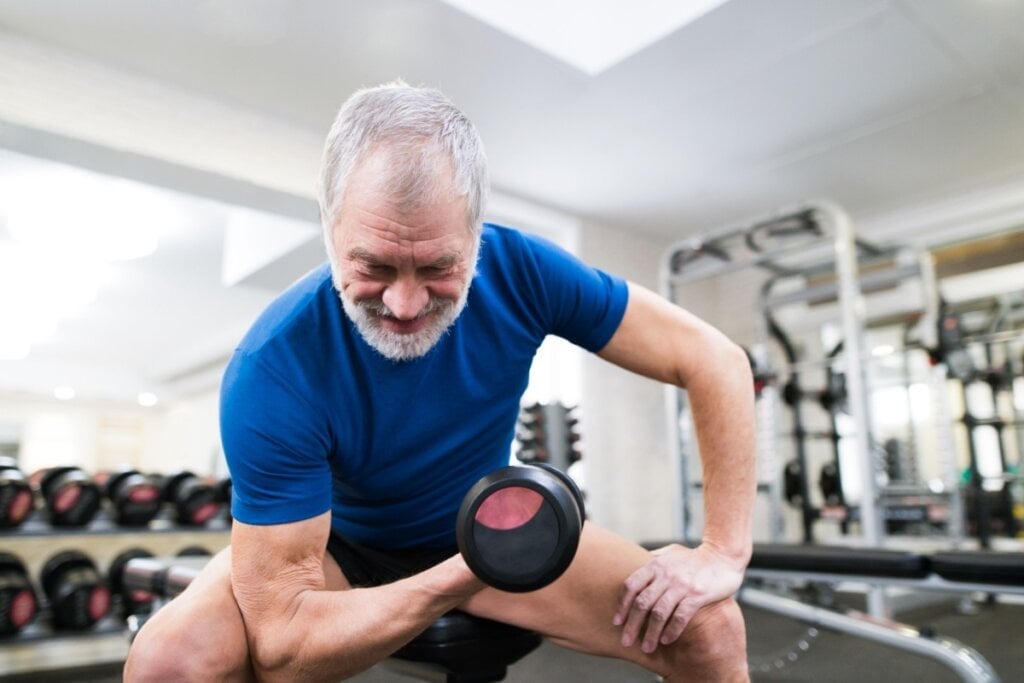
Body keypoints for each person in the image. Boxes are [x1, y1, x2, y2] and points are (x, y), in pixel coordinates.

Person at [124, 81, 756, 682]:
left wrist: (722, 552)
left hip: (483, 518)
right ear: (328, 226)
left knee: (709, 628)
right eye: (374, 266)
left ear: (476, 234)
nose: (403, 303)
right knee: (171, 662)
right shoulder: (272, 368)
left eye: (437, 267)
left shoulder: (525, 273)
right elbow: (285, 648)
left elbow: (715, 361)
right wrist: (466, 572)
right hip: (334, 545)